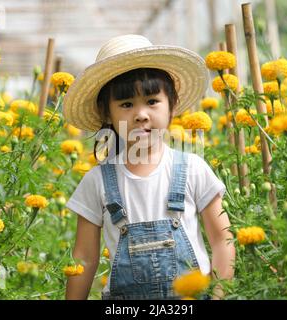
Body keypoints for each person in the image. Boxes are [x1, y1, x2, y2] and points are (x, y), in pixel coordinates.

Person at [63, 34, 235, 300]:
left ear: (172, 106)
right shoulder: (96, 182)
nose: (141, 114)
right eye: (126, 104)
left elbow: (222, 241)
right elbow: (84, 259)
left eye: (152, 101)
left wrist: (218, 296)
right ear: (107, 113)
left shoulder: (193, 169)